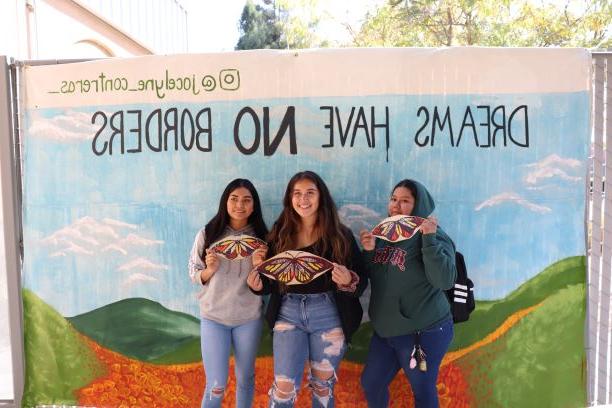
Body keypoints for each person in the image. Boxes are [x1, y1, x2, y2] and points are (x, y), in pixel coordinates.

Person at [247, 170, 367, 408]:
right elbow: (270, 282)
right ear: (289, 199)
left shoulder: (340, 236)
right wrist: (257, 284)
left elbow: (361, 281)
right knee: (283, 389)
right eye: (297, 193)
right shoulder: (280, 235)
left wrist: (347, 280)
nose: (304, 199)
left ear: (321, 196)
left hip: (329, 313)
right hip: (287, 313)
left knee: (323, 390)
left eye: (310, 193)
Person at [359, 179, 456, 408]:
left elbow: (444, 280)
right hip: (387, 333)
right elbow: (377, 276)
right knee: (371, 383)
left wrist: (429, 240)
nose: (396, 205)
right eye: (393, 199)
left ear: (418, 205)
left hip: (423, 333)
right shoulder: (384, 233)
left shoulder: (434, 235)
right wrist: (369, 252)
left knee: (422, 390)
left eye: (405, 201)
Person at [188, 178, 268, 408]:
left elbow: (270, 281)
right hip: (214, 318)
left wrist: (259, 265)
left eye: (246, 200)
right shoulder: (208, 233)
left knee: (245, 379)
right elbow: (193, 272)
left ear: (254, 206)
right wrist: (209, 270)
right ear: (225, 202)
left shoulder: (264, 238)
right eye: (234, 199)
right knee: (216, 383)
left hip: (249, 318)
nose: (239, 205)